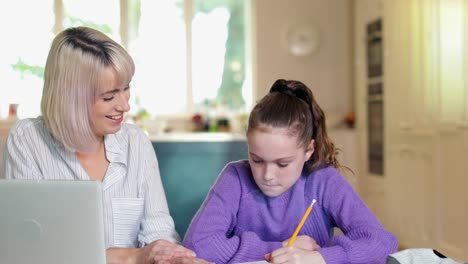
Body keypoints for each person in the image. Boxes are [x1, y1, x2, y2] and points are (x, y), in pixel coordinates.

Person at [1, 26, 209, 264]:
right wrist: (130, 257)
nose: (124, 106)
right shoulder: (27, 141)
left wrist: (173, 256)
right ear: (71, 100)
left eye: (126, 88)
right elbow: (30, 252)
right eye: (109, 97)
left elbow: (158, 232)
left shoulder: (135, 143)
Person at [183, 79, 398, 263]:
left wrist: (319, 258)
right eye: (257, 160)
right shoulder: (235, 178)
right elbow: (197, 245)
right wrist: (280, 248)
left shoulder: (323, 180)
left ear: (308, 150)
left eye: (283, 163)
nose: (267, 175)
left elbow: (382, 243)